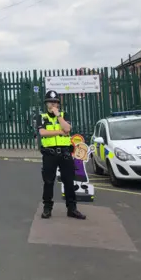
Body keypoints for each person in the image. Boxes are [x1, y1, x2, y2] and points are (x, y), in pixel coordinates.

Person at [36, 90, 86, 220]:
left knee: (69, 181)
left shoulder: (64, 115)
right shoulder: (41, 117)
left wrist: (58, 115)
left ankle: (72, 209)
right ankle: (47, 208)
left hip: (65, 153)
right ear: (46, 104)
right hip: (49, 154)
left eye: (55, 102)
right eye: (50, 102)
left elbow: (68, 129)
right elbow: (42, 132)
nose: (53, 104)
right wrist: (59, 131)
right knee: (48, 182)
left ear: (58, 104)